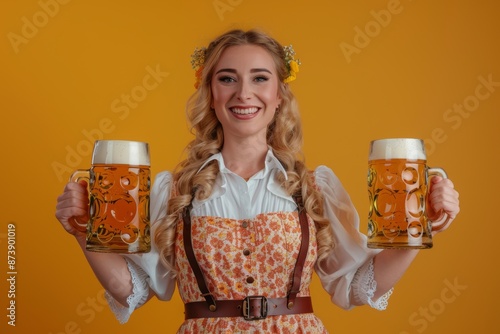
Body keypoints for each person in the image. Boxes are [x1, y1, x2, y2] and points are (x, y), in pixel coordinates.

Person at [55, 29, 460, 333]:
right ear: (209, 92)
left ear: (280, 93)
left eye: (260, 78)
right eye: (227, 78)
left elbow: (355, 286)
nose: (244, 93)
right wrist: (81, 231)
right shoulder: (174, 192)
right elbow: (134, 290)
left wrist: (418, 228)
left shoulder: (313, 188)